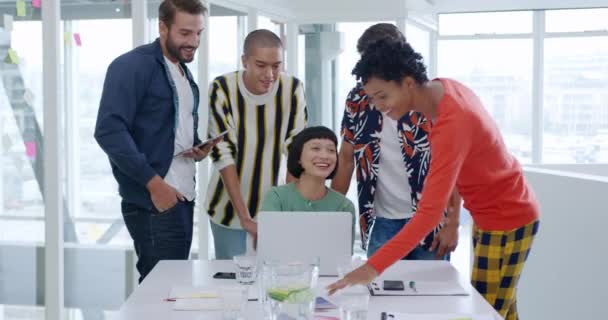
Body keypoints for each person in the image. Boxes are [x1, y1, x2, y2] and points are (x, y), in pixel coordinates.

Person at [327, 39, 541, 320]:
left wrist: (370, 268)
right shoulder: (442, 91)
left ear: (407, 83)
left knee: (485, 312)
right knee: (500, 308)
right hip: (492, 212)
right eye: (373, 99)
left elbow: (427, 217)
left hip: (507, 216)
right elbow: (455, 169)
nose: (379, 107)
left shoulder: (452, 123)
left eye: (383, 96)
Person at [95, 0, 210, 282]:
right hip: (154, 200)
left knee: (171, 291)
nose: (193, 41)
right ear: (162, 27)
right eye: (185, 33)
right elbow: (109, 130)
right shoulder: (131, 66)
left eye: (198, 33)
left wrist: (194, 146)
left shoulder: (183, 72)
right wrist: (155, 185)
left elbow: (165, 129)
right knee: (160, 293)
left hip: (182, 196)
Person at [332, 23, 460, 260]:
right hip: (383, 222)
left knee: (431, 294)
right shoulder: (358, 99)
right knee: (378, 293)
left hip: (429, 220)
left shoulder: (424, 98)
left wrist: (453, 222)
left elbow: (450, 165)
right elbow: (346, 159)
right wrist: (331, 214)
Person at [206, 29, 308, 259]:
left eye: (276, 65)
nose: (270, 74)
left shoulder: (293, 89)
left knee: (275, 281)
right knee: (233, 285)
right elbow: (224, 155)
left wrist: (283, 213)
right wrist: (245, 217)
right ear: (245, 61)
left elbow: (295, 153)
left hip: (273, 208)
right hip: (227, 209)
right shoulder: (222, 88)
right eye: (261, 65)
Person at [260, 126, 357, 246]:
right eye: (316, 148)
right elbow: (270, 247)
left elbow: (343, 256)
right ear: (298, 157)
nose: (325, 156)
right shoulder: (276, 198)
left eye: (331, 150)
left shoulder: (344, 206)